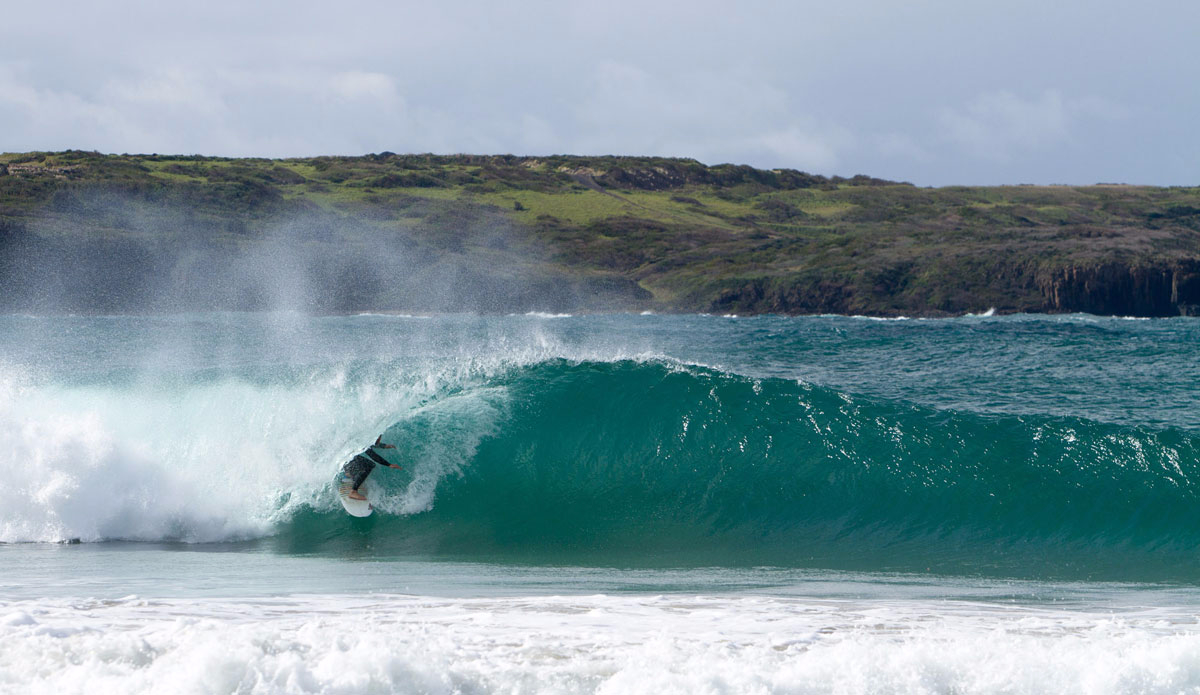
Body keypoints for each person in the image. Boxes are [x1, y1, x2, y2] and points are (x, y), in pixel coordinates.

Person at [341, 435, 401, 501]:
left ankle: (350, 474)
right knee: (369, 465)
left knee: (362, 462)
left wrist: (384, 446)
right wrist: (389, 464)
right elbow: (373, 455)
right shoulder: (364, 441)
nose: (379, 439)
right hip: (345, 461)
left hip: (344, 459)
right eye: (379, 438)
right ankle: (353, 492)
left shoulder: (364, 437)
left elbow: (372, 444)